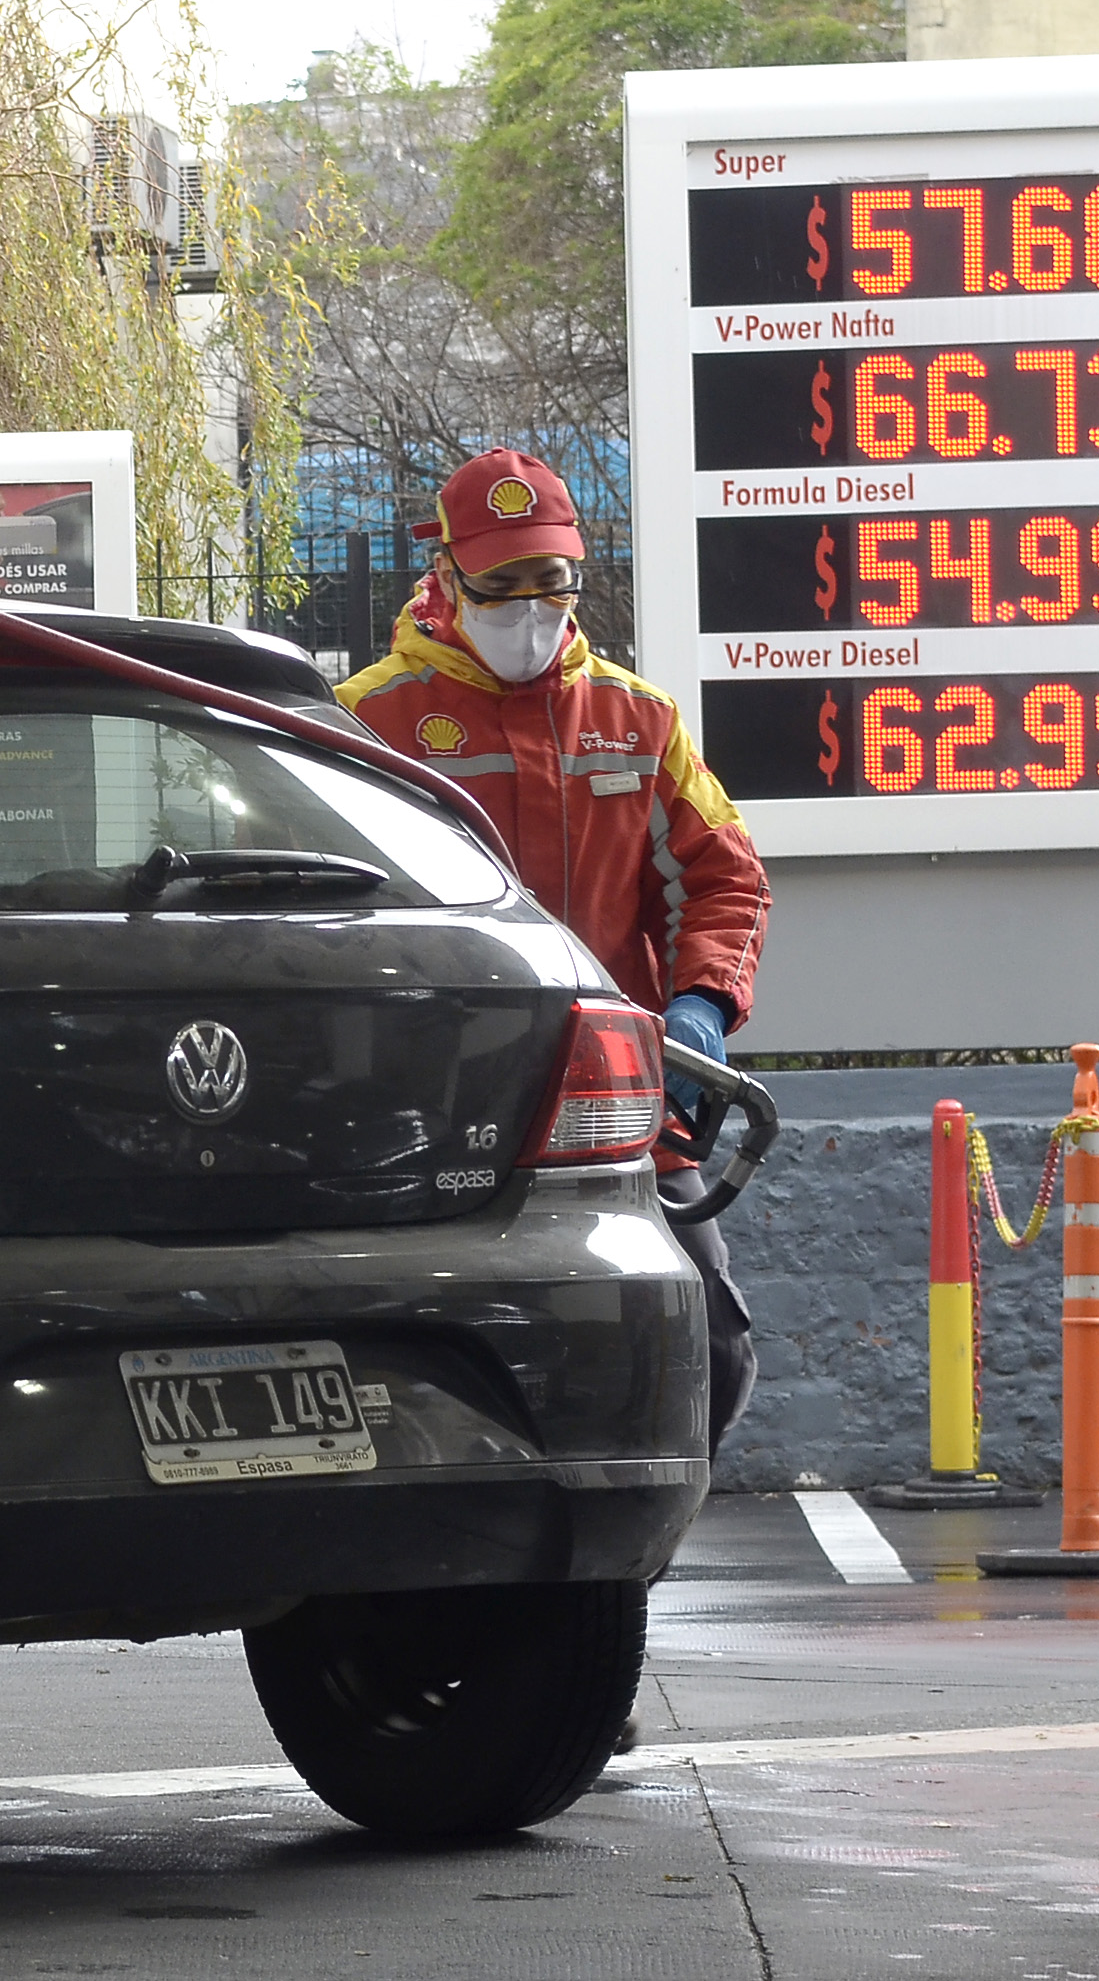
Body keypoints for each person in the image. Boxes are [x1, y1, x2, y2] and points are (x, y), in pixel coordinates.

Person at [337, 448, 771, 1452]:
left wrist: (701, 1006)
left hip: (616, 1104)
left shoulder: (639, 721)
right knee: (425, 1367)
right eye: (503, 586)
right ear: (445, 577)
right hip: (436, 1107)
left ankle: (616, 1561)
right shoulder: (369, 724)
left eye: (551, 583)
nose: (531, 609)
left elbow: (726, 876)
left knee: (711, 1350)